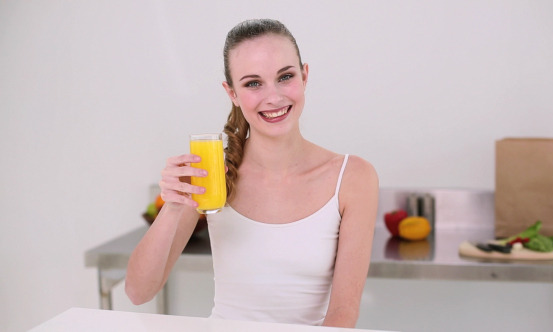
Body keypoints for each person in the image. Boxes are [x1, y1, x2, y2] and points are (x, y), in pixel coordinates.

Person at [125, 19, 379, 328]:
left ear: (305, 76)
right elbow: (138, 292)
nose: (273, 97)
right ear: (231, 92)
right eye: (253, 83)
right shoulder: (213, 172)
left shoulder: (353, 178)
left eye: (285, 76)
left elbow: (343, 315)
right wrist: (175, 205)